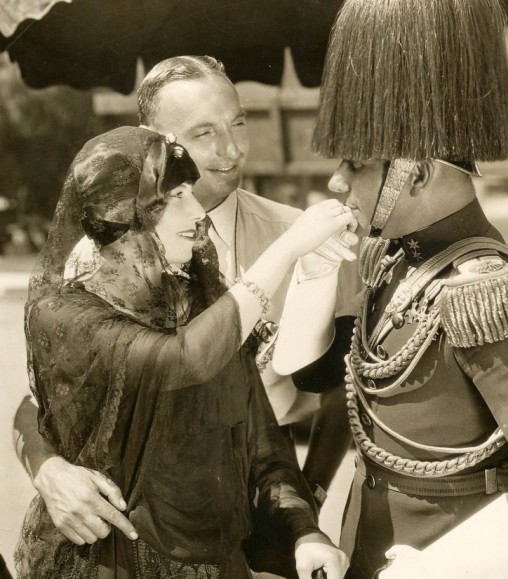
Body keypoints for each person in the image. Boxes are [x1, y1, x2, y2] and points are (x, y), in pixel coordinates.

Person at [272, 1, 508, 577]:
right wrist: (313, 278)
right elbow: (321, 378)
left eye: (355, 163)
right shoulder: (389, 258)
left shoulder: (484, 287)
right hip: (368, 547)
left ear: (414, 173)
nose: (336, 179)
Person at [12, 55, 355, 549]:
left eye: (239, 122)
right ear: (154, 138)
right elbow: (46, 395)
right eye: (204, 133)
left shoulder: (303, 237)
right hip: (142, 524)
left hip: (270, 499)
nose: (232, 149)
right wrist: (48, 470)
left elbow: (344, 387)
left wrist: (310, 500)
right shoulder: (98, 256)